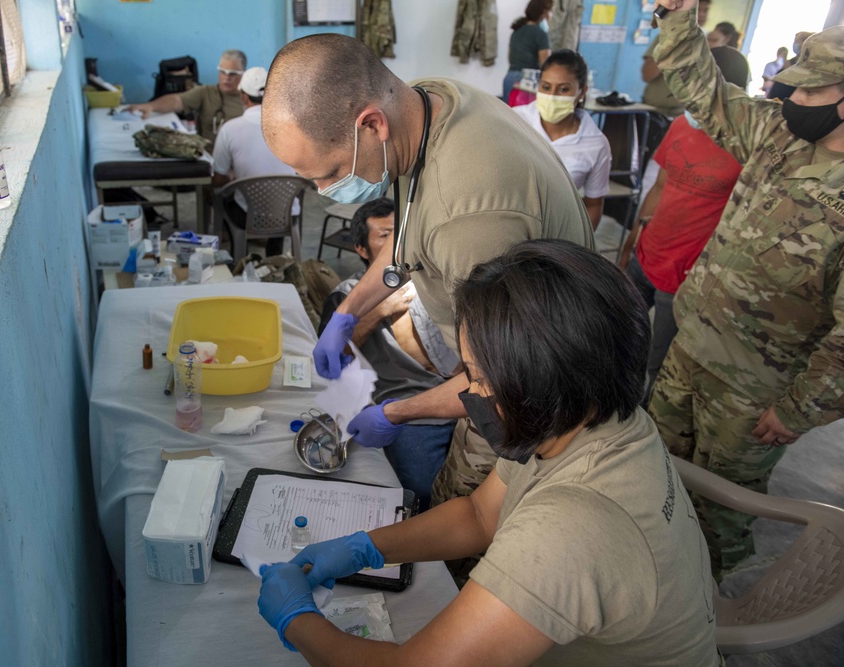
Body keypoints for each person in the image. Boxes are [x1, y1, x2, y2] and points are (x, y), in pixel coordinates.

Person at [257, 241, 720, 666]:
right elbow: (479, 516)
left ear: (534, 386)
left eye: (476, 377)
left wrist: (297, 620)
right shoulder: (584, 415)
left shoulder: (571, 529)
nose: (469, 393)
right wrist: (368, 547)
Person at [261, 34, 593, 544]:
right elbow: (409, 235)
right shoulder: (424, 104)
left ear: (371, 124)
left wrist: (396, 411)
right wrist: (346, 313)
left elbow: (503, 384)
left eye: (330, 173)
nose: (327, 193)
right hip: (501, 346)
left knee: (468, 524)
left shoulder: (471, 220)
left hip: (540, 385)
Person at [650, 1, 844, 578]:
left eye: (811, 93)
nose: (793, 101)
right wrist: (679, 17)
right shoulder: (776, 135)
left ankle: (702, 629)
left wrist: (795, 411)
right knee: (652, 479)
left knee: (716, 515)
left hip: (755, 394)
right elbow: (702, 90)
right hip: (690, 351)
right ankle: (644, 592)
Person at [623, 46, 749, 403]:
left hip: (686, 275)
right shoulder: (681, 124)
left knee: (657, 364)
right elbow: (661, 186)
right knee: (615, 336)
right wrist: (633, 238)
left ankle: (645, 430)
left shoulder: (746, 147)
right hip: (648, 253)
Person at [318, 199, 459, 511]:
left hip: (462, 397)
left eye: (401, 233)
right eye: (385, 235)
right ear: (361, 248)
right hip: (408, 412)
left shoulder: (435, 282)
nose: (396, 244)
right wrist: (377, 309)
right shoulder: (347, 296)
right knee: (420, 492)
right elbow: (333, 356)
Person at [513, 50, 610, 229]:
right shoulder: (515, 121)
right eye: (546, 87)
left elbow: (594, 204)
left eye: (564, 89)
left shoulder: (595, 143)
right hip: (511, 227)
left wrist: (580, 246)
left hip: (558, 234)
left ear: (581, 92)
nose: (552, 96)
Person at [211, 67, 298, 257]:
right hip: (288, 216)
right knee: (282, 197)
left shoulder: (229, 129)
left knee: (223, 198)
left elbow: (218, 180)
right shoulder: (293, 127)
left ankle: (239, 257)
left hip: (246, 217)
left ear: (243, 96)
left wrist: (236, 178)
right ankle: (275, 257)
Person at [126, 49, 247, 146]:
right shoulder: (206, 92)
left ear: (244, 73)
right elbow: (177, 100)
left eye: (232, 74)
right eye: (222, 72)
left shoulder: (251, 98)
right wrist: (151, 106)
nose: (226, 78)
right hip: (210, 157)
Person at [642, 0, 710, 116]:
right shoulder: (664, 38)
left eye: (706, 10)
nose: (702, 14)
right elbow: (647, 75)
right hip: (655, 111)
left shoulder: (707, 42)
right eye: (698, 10)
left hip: (686, 115)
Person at [503, 0, 552, 105]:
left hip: (509, 78)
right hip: (527, 83)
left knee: (509, 117)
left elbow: (510, 57)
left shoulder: (517, 30)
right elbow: (546, 65)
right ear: (544, 12)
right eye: (550, 11)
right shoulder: (540, 34)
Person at [767, 32, 816, 101]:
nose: (795, 44)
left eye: (797, 41)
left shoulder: (810, 66)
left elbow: (795, 79)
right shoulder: (791, 61)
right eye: (794, 41)